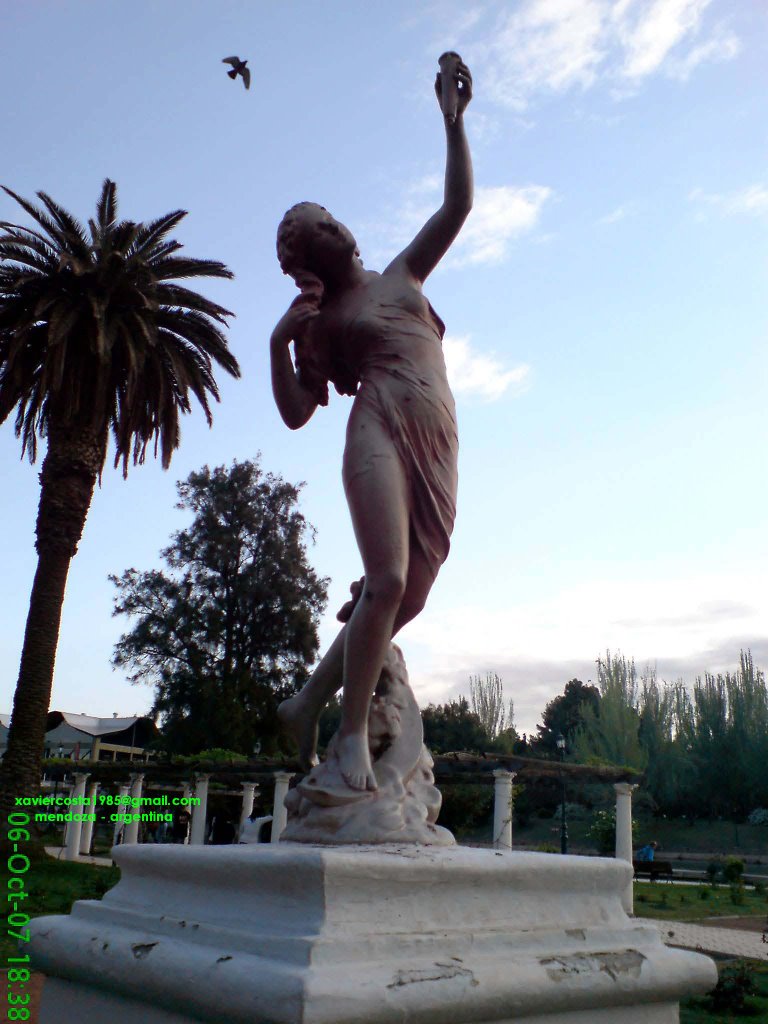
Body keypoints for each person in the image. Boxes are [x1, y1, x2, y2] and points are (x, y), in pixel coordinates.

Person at [273, 58, 473, 795]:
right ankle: (352, 732)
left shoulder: (402, 276)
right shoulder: (319, 321)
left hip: (437, 432)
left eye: (328, 215)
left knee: (407, 595)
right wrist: (277, 345)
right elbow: (298, 411)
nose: (332, 225)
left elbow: (455, 209)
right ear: (307, 260)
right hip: (378, 428)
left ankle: (304, 704)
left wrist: (453, 125)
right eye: (314, 227)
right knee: (386, 579)